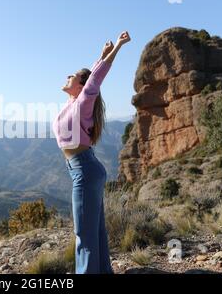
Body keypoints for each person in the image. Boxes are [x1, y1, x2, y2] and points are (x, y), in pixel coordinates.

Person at [52, 31, 131, 274]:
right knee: (94, 231)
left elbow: (95, 78)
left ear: (80, 85)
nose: (67, 77)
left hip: (85, 170)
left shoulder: (85, 101)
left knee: (84, 235)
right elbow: (92, 74)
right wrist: (101, 54)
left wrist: (117, 47)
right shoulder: (72, 103)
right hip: (84, 169)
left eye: (71, 76)